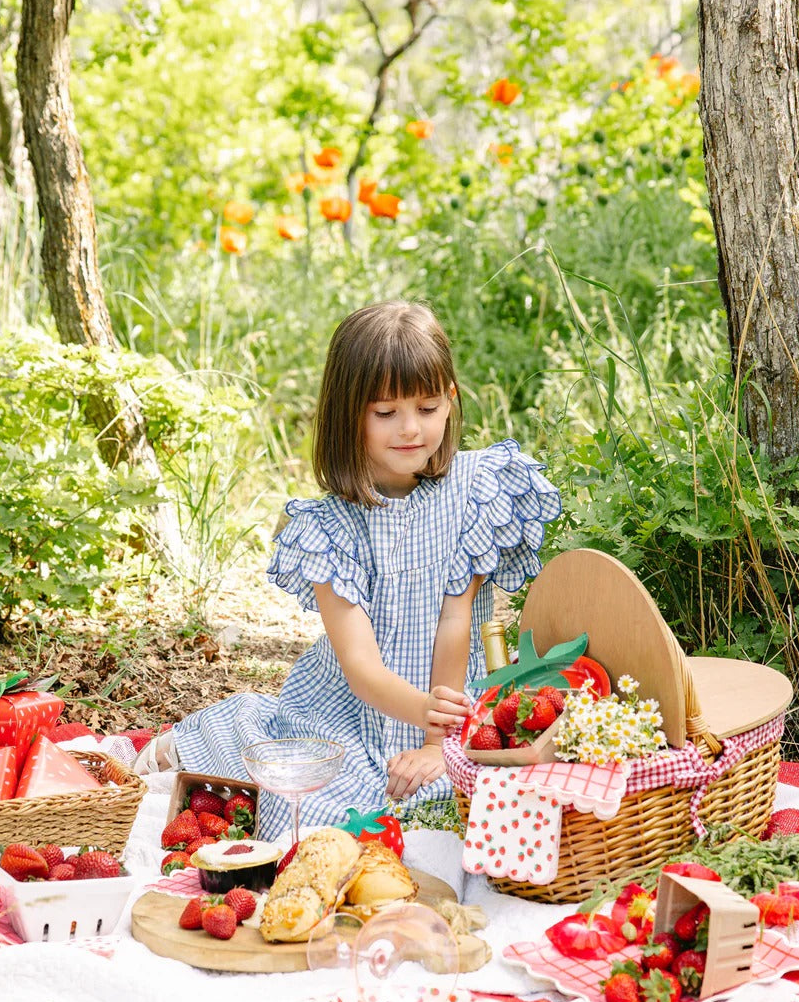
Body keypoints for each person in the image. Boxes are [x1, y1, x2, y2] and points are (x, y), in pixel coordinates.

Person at [138, 300, 560, 839]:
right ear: (349, 414)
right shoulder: (329, 527)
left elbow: (456, 621)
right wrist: (422, 716)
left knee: (467, 794)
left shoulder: (475, 489)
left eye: (428, 408)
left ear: (450, 401)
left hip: (451, 698)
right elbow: (360, 666)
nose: (411, 429)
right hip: (352, 704)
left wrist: (436, 745)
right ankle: (179, 748)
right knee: (313, 810)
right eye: (386, 414)